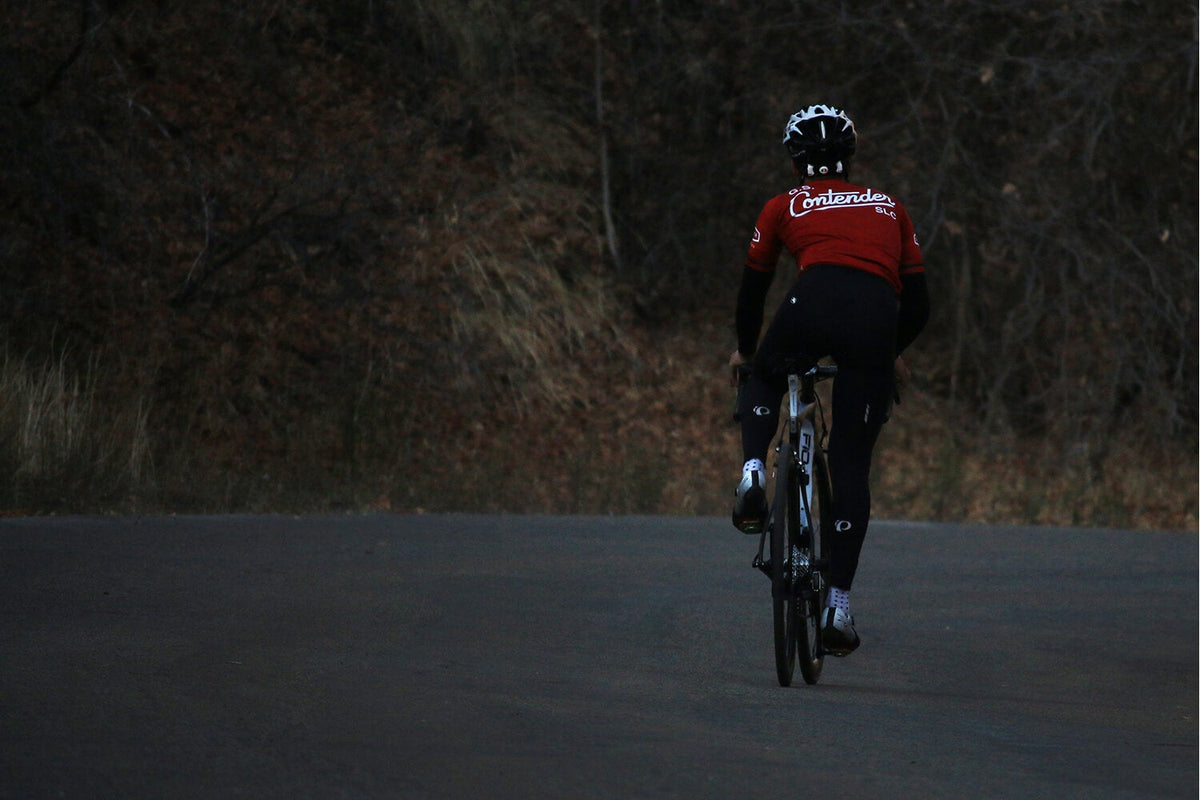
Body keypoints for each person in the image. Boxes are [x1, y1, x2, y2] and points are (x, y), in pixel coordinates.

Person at [729, 104, 929, 656]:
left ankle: (752, 471)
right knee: (849, 467)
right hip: (873, 318)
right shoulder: (890, 206)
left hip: (810, 301)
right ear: (850, 156)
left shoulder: (782, 205)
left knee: (765, 370)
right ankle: (838, 604)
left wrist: (747, 353)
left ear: (795, 160)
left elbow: (752, 294)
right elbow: (919, 305)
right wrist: (890, 353)